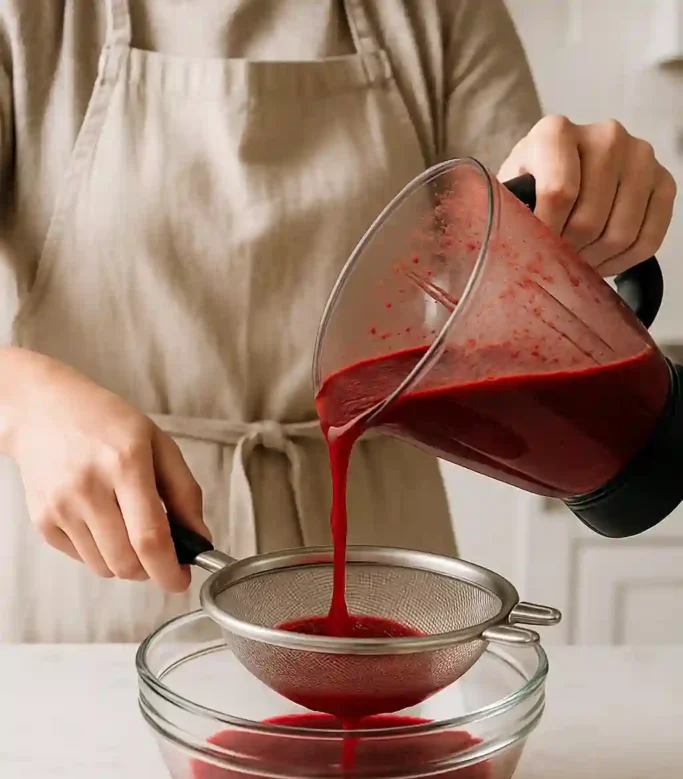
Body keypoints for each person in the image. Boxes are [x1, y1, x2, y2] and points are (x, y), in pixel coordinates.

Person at [0, 0, 676, 642]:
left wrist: (589, 191)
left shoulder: (436, 13)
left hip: (381, 556)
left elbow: (519, 253)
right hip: (109, 554)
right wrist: (22, 402)